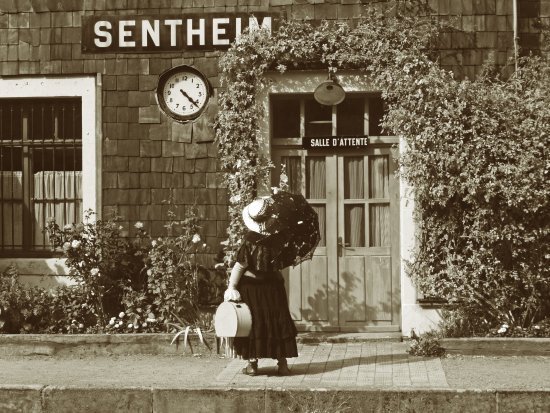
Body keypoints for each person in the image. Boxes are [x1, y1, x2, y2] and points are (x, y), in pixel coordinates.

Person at [223, 196, 298, 376]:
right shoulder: (279, 237)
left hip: (252, 288)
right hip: (273, 287)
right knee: (277, 321)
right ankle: (282, 364)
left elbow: (240, 266)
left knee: (254, 323)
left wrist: (232, 286)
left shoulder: (250, 240)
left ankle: (252, 365)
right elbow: (283, 262)